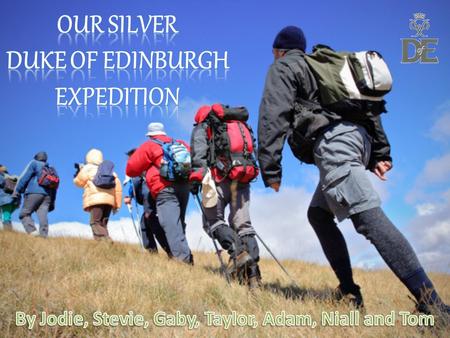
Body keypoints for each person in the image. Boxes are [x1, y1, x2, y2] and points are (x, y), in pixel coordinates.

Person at [257, 25, 449, 314]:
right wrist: (379, 153)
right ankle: (348, 292)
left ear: (277, 50)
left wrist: (270, 168)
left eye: (274, 53)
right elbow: (368, 108)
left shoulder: (285, 66)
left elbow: (273, 114)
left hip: (334, 144)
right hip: (358, 142)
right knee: (318, 214)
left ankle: (434, 306)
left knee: (367, 217)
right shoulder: (326, 68)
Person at [190, 104, 261, 288]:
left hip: (218, 178)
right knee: (243, 225)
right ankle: (253, 275)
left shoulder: (204, 126)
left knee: (213, 222)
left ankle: (238, 254)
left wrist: (197, 177)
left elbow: (199, 151)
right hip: (242, 176)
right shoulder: (236, 123)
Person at [126, 122, 193, 264]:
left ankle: (183, 262)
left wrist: (146, 166)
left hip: (164, 189)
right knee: (179, 223)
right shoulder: (179, 143)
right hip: (184, 186)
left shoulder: (149, 145)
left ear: (149, 134)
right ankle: (186, 256)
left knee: (170, 225)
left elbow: (131, 169)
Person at [124, 149, 171, 256]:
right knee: (146, 223)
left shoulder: (140, 166)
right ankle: (157, 252)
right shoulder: (149, 163)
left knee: (151, 221)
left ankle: (168, 251)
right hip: (157, 196)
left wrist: (130, 196)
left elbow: (135, 183)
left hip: (150, 197)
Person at [74, 149, 122, 241]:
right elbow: (118, 190)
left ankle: (107, 240)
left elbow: (78, 182)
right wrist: (117, 206)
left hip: (96, 199)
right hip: (109, 202)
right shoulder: (111, 172)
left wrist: (79, 171)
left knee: (95, 222)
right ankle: (102, 245)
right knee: (103, 224)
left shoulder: (88, 168)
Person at [13, 152, 57, 237]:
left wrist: (17, 190)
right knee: (43, 216)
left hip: (33, 193)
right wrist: (52, 202)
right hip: (47, 196)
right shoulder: (50, 169)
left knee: (24, 214)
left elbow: (24, 177)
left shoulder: (34, 163)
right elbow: (54, 187)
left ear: (36, 157)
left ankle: (32, 232)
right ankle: (43, 236)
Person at [0, 165, 19, 231]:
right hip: (14, 201)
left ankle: (8, 232)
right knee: (7, 216)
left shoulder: (1, 177)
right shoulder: (11, 177)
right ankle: (9, 232)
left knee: (5, 217)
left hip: (5, 200)